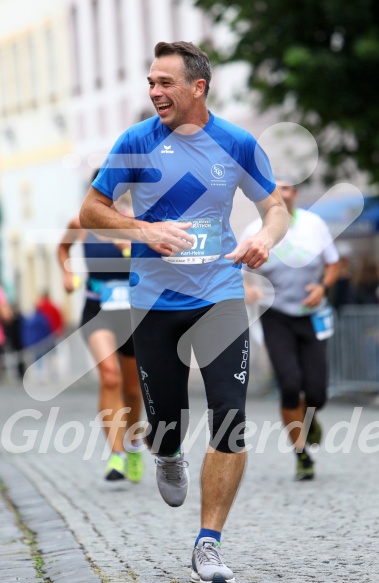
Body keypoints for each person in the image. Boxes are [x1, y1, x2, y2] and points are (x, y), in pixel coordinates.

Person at [79, 41, 289, 583]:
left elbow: (275, 207)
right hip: (153, 301)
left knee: (230, 414)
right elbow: (91, 210)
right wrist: (145, 230)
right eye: (151, 82)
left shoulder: (236, 142)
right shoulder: (136, 141)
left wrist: (265, 238)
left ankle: (209, 544)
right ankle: (167, 451)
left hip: (219, 294)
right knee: (167, 420)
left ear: (198, 87)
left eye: (165, 83)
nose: (154, 92)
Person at [241, 175, 340, 481]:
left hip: (311, 315)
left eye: (285, 188)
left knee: (316, 392)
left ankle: (311, 418)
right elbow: (237, 268)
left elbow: (334, 263)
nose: (279, 194)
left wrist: (323, 287)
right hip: (275, 316)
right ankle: (302, 455)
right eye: (273, 189)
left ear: (295, 192)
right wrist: (246, 287)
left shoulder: (314, 224)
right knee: (288, 385)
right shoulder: (253, 230)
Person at [57, 182, 144, 483]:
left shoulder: (134, 222)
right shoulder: (79, 223)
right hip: (97, 312)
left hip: (133, 313)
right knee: (110, 376)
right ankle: (116, 454)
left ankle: (133, 444)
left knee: (134, 390)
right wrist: (67, 273)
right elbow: (63, 248)